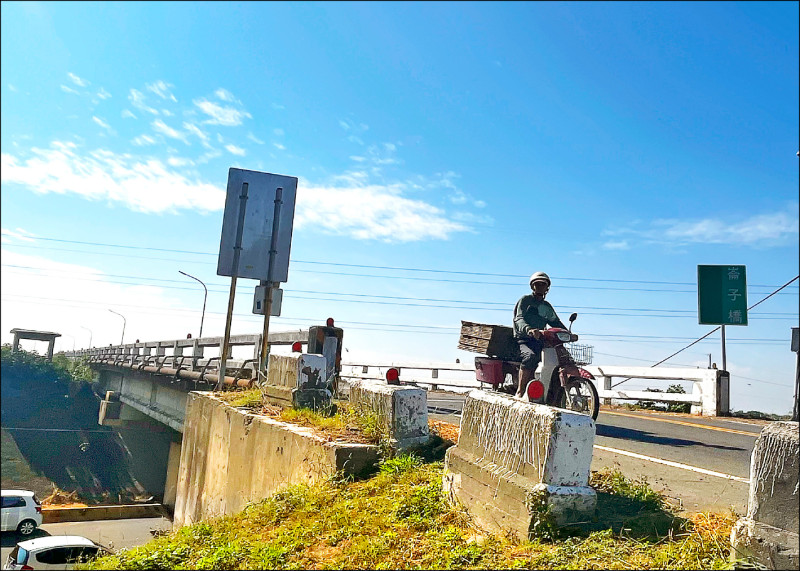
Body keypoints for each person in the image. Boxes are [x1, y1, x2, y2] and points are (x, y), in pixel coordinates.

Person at [512, 272, 568, 399]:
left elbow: (555, 322)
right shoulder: (525, 301)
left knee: (561, 358)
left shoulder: (546, 306)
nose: (540, 287)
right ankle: (520, 392)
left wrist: (567, 333)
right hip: (524, 340)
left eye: (543, 284)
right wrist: (529, 329)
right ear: (532, 286)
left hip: (540, 340)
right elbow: (519, 319)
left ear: (547, 288)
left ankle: (552, 395)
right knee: (530, 356)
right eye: (537, 284)